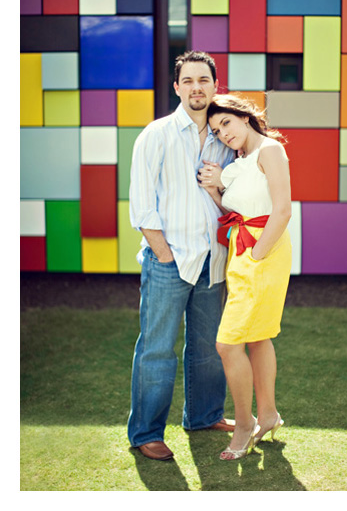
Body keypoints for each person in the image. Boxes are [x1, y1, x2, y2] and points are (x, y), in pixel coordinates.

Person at [128, 50, 236, 461]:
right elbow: (141, 205)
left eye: (203, 81)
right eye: (188, 81)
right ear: (176, 87)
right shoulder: (155, 134)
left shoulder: (225, 136)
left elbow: (234, 197)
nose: (196, 88)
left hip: (213, 259)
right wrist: (165, 256)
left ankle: (204, 414)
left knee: (207, 346)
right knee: (157, 348)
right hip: (167, 261)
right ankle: (146, 432)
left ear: (214, 86)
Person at [196, 93, 293, 460]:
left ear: (246, 117)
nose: (223, 133)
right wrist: (215, 190)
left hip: (262, 251)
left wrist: (256, 255)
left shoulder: (270, 151)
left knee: (227, 344)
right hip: (243, 250)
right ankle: (267, 415)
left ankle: (244, 423)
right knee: (258, 336)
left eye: (227, 123)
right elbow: (240, 208)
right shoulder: (241, 160)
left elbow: (281, 211)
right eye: (217, 129)